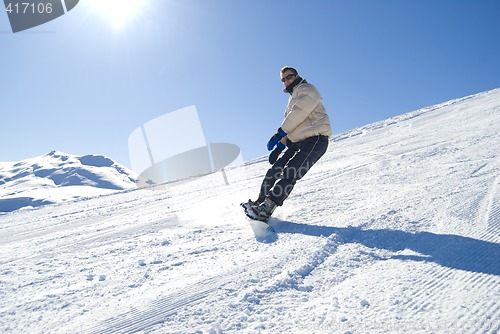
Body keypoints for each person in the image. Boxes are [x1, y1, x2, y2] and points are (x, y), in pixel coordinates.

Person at [243, 66, 332, 222]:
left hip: (315, 139)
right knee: (274, 170)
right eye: (283, 79)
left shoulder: (307, 89)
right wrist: (281, 145)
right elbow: (294, 122)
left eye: (289, 77)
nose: (286, 81)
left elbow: (298, 114)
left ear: (296, 75)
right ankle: (260, 202)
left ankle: (267, 208)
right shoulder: (293, 97)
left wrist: (280, 133)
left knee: (291, 172)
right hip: (297, 141)